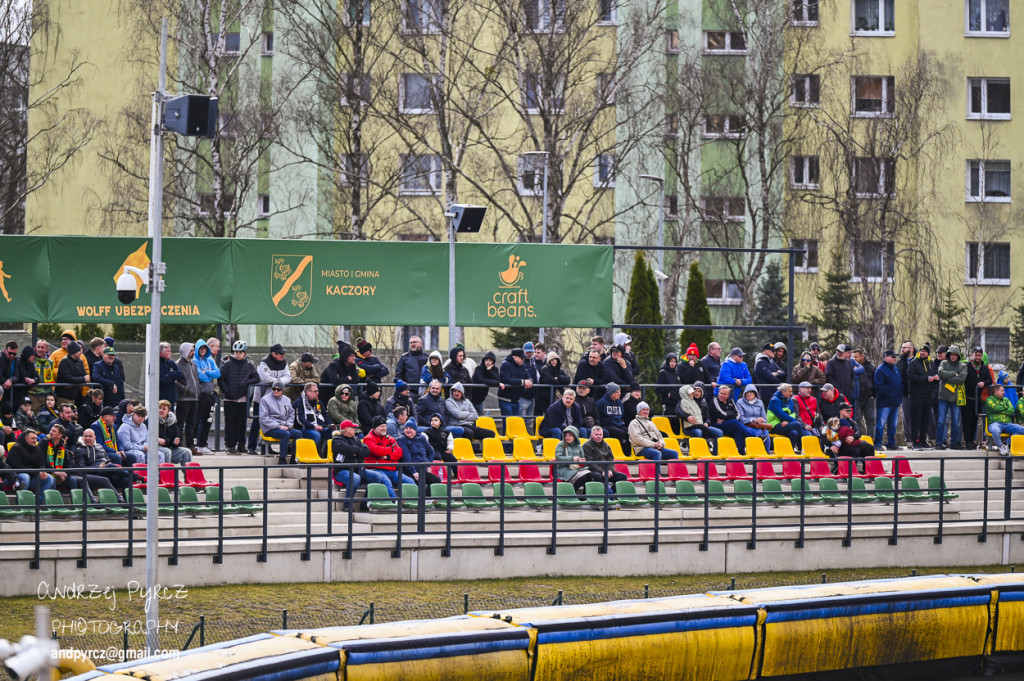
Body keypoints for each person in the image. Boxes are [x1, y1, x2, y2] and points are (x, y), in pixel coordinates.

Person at [331, 419, 393, 505]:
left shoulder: (356, 439)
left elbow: (366, 451)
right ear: (347, 429)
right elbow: (348, 450)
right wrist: (357, 451)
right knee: (355, 478)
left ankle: (364, 503)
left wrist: (354, 452)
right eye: (353, 428)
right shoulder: (337, 440)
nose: (355, 430)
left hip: (359, 469)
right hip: (342, 471)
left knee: (377, 476)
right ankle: (347, 505)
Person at [249, 344, 293, 454]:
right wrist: (279, 381)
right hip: (262, 398)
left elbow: (289, 377)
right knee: (257, 422)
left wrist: (278, 382)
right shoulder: (264, 362)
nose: (283, 355)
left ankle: (267, 449)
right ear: (274, 354)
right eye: (281, 353)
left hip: (276, 399)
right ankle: (251, 447)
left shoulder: (284, 362)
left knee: (274, 421)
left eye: (284, 353)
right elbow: (265, 378)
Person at [219, 340, 260, 454]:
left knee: (242, 423)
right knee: (230, 422)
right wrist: (226, 391)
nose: (238, 354)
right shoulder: (227, 365)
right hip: (229, 398)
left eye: (240, 352)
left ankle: (241, 444)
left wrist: (247, 382)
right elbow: (220, 379)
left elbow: (256, 377)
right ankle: (230, 445)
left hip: (242, 398)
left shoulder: (249, 365)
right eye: (236, 352)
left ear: (244, 353)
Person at [72, 428, 130, 498]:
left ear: (94, 437)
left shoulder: (99, 446)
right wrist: (98, 467)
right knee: (110, 467)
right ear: (82, 437)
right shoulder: (79, 450)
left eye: (90, 436)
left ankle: (128, 503)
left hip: (107, 471)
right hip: (94, 473)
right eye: (85, 436)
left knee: (125, 478)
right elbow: (81, 469)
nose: (87, 438)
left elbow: (107, 459)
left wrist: (107, 464)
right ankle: (134, 475)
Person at [362, 415, 413, 489]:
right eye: (381, 426)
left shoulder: (390, 438)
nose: (384, 428)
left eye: (385, 426)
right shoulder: (368, 439)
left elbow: (399, 452)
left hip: (392, 470)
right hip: (377, 469)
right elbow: (377, 451)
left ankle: (415, 500)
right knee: (387, 483)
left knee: (410, 482)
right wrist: (391, 449)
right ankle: (393, 500)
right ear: (375, 428)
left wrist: (387, 457)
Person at [259, 380, 302, 464]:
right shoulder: (264, 400)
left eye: (278, 390)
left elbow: (291, 414)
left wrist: (288, 425)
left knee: (298, 433)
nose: (276, 391)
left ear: (282, 390)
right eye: (274, 389)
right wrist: (279, 426)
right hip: (269, 428)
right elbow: (264, 418)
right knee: (285, 434)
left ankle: (294, 457)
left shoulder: (287, 400)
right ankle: (282, 458)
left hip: (285, 426)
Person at [554, 426, 602, 498]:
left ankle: (585, 496)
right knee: (583, 477)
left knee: (590, 475)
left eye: (570, 435)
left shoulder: (579, 446)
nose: (567, 437)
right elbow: (558, 458)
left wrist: (582, 461)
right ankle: (570, 495)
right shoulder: (561, 444)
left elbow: (583, 459)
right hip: (563, 468)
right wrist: (572, 458)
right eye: (566, 435)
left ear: (575, 436)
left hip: (577, 468)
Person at [906, 344, 939, 450]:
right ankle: (915, 442)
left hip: (928, 396)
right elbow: (911, 377)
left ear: (928, 353)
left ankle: (923, 440)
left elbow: (934, 379)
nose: (923, 353)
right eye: (921, 351)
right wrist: (926, 379)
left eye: (925, 351)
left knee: (926, 420)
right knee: (916, 420)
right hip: (916, 396)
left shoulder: (931, 364)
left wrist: (935, 379)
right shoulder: (913, 363)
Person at [7, 430, 54, 500]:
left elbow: (41, 464)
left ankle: (38, 505)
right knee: (25, 476)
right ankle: (21, 505)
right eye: (32, 438)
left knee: (49, 478)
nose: (35, 441)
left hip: (31, 476)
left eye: (36, 438)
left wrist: (42, 472)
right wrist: (36, 473)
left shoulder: (37, 448)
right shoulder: (16, 448)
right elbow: (17, 467)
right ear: (26, 439)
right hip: (14, 478)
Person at [937, 345, 967, 450]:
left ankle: (954, 443)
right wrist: (954, 373)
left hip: (955, 398)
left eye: (955, 355)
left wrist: (947, 378)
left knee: (956, 422)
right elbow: (941, 373)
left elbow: (961, 379)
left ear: (958, 356)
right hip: (943, 397)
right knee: (941, 420)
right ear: (949, 355)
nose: (953, 356)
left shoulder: (962, 365)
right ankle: (939, 442)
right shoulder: (943, 363)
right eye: (951, 354)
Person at [676, 383, 722, 451]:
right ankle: (698, 452)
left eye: (699, 391)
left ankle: (715, 454)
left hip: (702, 425)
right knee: (698, 432)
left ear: (702, 392)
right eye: (695, 391)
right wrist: (687, 417)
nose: (697, 393)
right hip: (690, 427)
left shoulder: (704, 402)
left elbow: (708, 416)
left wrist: (707, 423)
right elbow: (677, 411)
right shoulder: (686, 399)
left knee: (719, 432)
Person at [873, 350, 902, 451]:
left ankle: (891, 443)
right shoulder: (880, 370)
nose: (894, 358)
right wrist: (890, 395)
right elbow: (879, 386)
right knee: (880, 424)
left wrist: (899, 397)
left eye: (895, 357)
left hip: (895, 402)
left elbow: (899, 384)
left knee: (893, 425)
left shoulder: (896, 369)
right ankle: (877, 443)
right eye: (892, 356)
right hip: (884, 403)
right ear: (886, 357)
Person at [582, 426, 626, 494]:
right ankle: (601, 495)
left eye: (600, 434)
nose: (598, 436)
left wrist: (610, 470)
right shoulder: (586, 445)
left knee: (623, 477)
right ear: (591, 435)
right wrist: (602, 471)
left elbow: (610, 460)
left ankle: (610, 495)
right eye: (596, 434)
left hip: (605, 471)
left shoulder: (606, 445)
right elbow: (589, 463)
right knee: (598, 476)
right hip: (592, 470)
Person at [963, 346, 992, 448]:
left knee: (975, 420)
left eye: (980, 355)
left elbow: (990, 380)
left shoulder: (984, 368)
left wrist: (983, 383)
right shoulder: (967, 366)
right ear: (972, 355)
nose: (978, 357)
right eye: (976, 355)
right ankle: (967, 441)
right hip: (967, 397)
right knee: (966, 420)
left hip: (977, 398)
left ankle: (973, 441)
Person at [397, 421, 441, 487]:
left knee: (436, 481)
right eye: (406, 428)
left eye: (410, 428)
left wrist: (428, 464)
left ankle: (427, 496)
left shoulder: (421, 438)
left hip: (422, 469)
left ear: (415, 430)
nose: (408, 430)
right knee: (420, 486)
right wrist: (413, 472)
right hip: (409, 471)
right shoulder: (402, 440)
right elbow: (406, 458)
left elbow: (431, 452)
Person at [767, 383, 807, 451]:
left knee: (794, 433)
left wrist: (788, 421)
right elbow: (781, 414)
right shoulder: (774, 400)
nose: (791, 394)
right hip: (774, 425)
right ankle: (801, 449)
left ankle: (789, 451)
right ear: (783, 392)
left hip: (786, 424)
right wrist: (794, 421)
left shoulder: (790, 400)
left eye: (791, 391)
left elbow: (793, 413)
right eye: (789, 391)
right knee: (797, 424)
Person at [733, 385, 773, 451]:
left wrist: (762, 420)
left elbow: (765, 418)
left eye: (751, 392)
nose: (749, 394)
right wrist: (753, 420)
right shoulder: (740, 402)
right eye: (747, 392)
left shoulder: (760, 402)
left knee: (765, 432)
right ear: (744, 393)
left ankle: (766, 455)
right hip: (747, 424)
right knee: (758, 432)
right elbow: (741, 418)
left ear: (755, 393)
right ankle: (753, 454)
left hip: (759, 425)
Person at [985, 385, 1023, 455]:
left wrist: (999, 409)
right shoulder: (989, 399)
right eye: (1002, 391)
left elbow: (1011, 410)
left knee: (1022, 429)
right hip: (995, 423)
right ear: (996, 392)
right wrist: (1005, 408)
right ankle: (1000, 446)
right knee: (995, 430)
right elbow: (994, 408)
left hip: (1008, 424)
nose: (1004, 392)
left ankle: (1006, 443)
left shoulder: (1006, 399)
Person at [176, 342, 200, 450]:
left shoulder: (193, 364)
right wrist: (184, 389)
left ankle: (190, 445)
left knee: (192, 423)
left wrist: (197, 390)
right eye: (191, 350)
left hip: (194, 398)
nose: (193, 352)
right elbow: (175, 381)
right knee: (180, 423)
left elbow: (196, 379)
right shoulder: (178, 364)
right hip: (184, 399)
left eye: (193, 350)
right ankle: (179, 444)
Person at [293, 382, 329, 452]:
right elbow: (300, 420)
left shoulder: (318, 402)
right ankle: (310, 456)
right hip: (303, 429)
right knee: (316, 435)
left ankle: (325, 456)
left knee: (331, 432)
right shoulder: (299, 402)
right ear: (308, 392)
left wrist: (330, 425)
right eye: (315, 391)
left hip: (319, 427)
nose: (317, 393)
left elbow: (325, 416)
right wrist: (313, 427)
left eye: (318, 391)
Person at [157, 400, 193, 464]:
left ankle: (188, 473)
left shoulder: (172, 421)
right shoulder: (151, 420)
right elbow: (146, 437)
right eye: (159, 408)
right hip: (155, 449)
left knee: (187, 451)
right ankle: (166, 473)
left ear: (168, 411)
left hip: (169, 448)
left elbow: (176, 436)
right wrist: (156, 440)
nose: (161, 410)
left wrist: (176, 442)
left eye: (164, 409)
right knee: (166, 451)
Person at [497, 348, 531, 416]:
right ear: (515, 357)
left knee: (515, 422)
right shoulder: (505, 364)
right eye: (521, 358)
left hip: (516, 400)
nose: (523, 360)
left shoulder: (522, 365)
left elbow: (528, 376)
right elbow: (506, 380)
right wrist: (523, 382)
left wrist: (529, 382)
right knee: (508, 422)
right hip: (506, 399)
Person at [536, 351, 570, 416]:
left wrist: (558, 377)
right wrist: (558, 380)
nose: (554, 361)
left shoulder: (560, 370)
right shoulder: (544, 369)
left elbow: (568, 380)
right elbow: (550, 380)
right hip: (546, 397)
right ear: (549, 361)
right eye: (551, 360)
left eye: (555, 360)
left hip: (558, 397)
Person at [55, 342, 88, 407]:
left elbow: (85, 375)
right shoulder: (64, 362)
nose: (81, 352)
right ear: (73, 352)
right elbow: (68, 378)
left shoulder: (79, 361)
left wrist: (82, 378)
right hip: (64, 397)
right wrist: (83, 379)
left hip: (75, 396)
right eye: (79, 350)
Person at [852, 348, 876, 435]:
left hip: (869, 398)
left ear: (862, 356)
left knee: (870, 420)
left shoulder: (871, 367)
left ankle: (871, 439)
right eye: (853, 357)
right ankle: (859, 439)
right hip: (857, 398)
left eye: (856, 357)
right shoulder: (852, 366)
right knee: (857, 420)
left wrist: (874, 395)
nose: (854, 359)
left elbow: (875, 381)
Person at [898, 340, 917, 442]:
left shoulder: (919, 360)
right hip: (904, 393)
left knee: (918, 417)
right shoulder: (900, 361)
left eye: (904, 347)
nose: (902, 349)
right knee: (906, 417)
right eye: (902, 347)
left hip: (917, 393)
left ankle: (919, 439)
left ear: (911, 349)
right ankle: (909, 439)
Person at [29, 339, 55, 412]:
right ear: (35, 348)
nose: (40, 349)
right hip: (33, 395)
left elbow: (52, 377)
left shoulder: (51, 362)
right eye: (38, 347)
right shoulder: (31, 361)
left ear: (47, 349)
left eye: (42, 347)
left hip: (47, 395)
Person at [158, 342, 184, 407]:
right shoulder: (156, 364)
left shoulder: (171, 362)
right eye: (168, 351)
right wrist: (172, 375)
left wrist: (169, 375)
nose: (170, 353)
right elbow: (163, 379)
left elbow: (180, 375)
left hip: (171, 400)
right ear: (161, 353)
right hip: (161, 399)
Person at [656, 353, 681, 418]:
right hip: (668, 402)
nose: (673, 363)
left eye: (675, 362)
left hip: (677, 401)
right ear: (668, 361)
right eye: (671, 361)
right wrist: (667, 393)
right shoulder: (663, 372)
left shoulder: (676, 372)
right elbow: (658, 388)